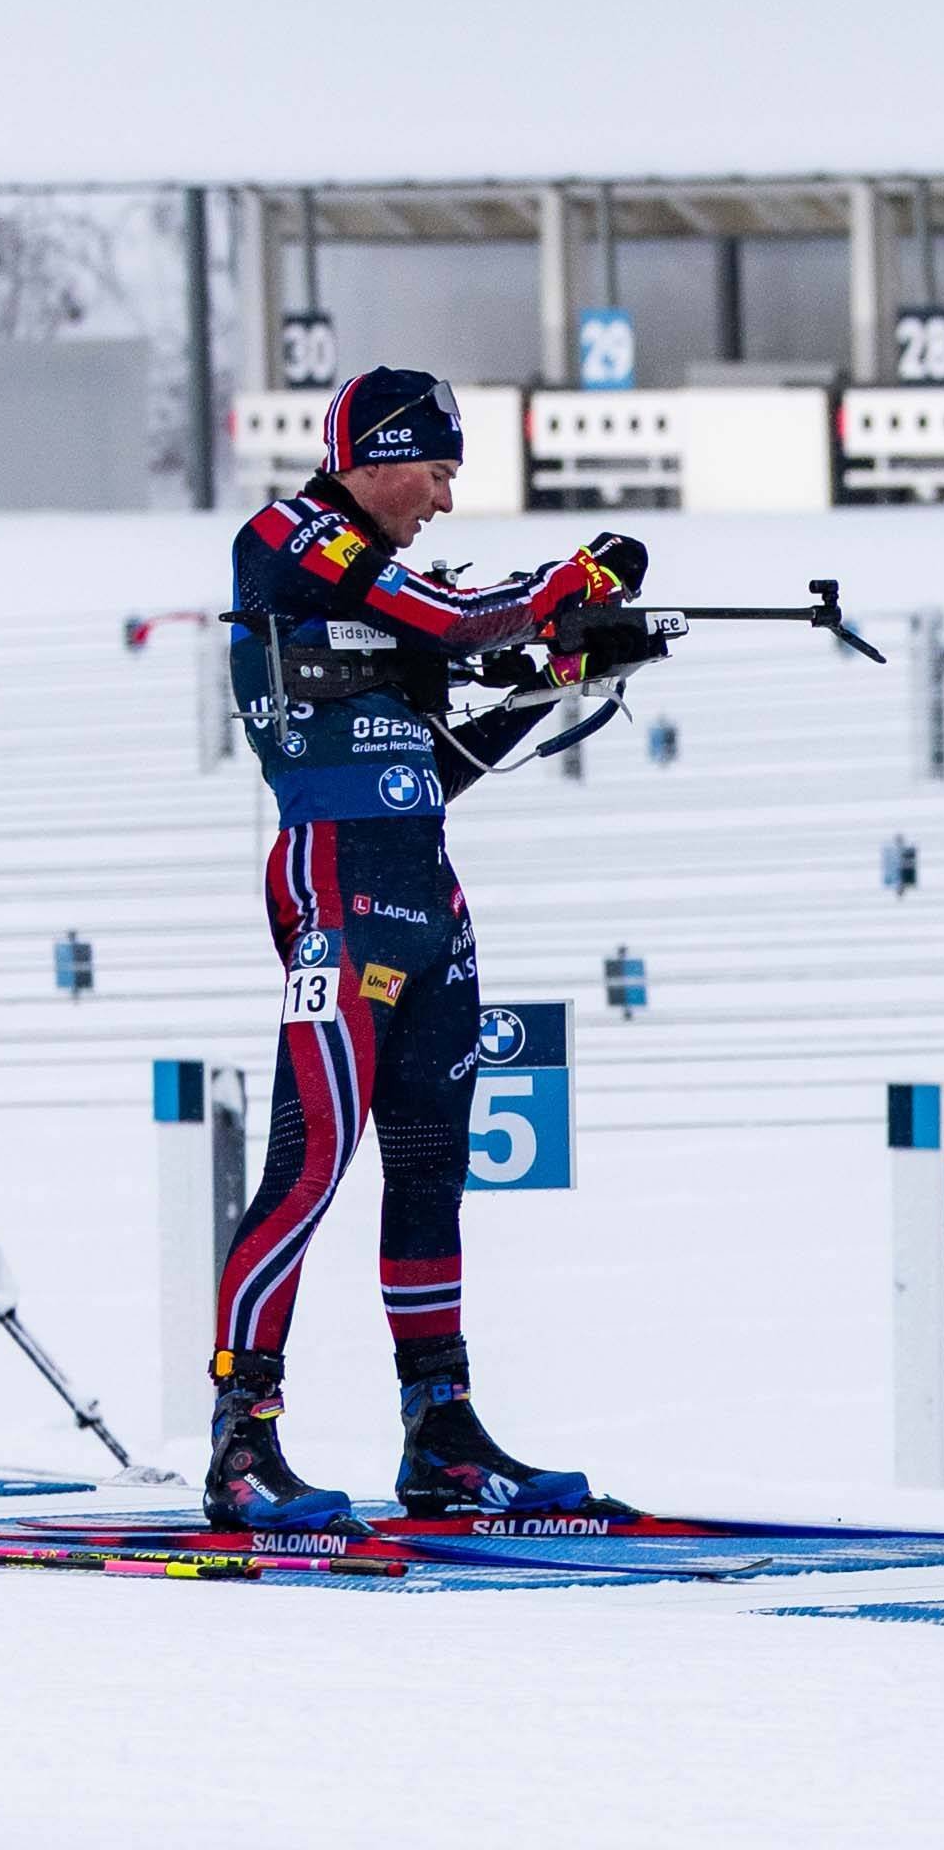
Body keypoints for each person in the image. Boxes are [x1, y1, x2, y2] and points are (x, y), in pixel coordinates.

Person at [205, 366, 660, 1528]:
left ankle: (441, 1435)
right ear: (383, 450)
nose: (444, 499)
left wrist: (567, 671)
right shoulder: (290, 533)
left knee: (430, 1171)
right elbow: (457, 619)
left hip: (424, 891)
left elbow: (435, 770)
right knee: (307, 1169)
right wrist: (563, 586)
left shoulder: (383, 598)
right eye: (439, 471)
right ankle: (243, 1444)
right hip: (339, 889)